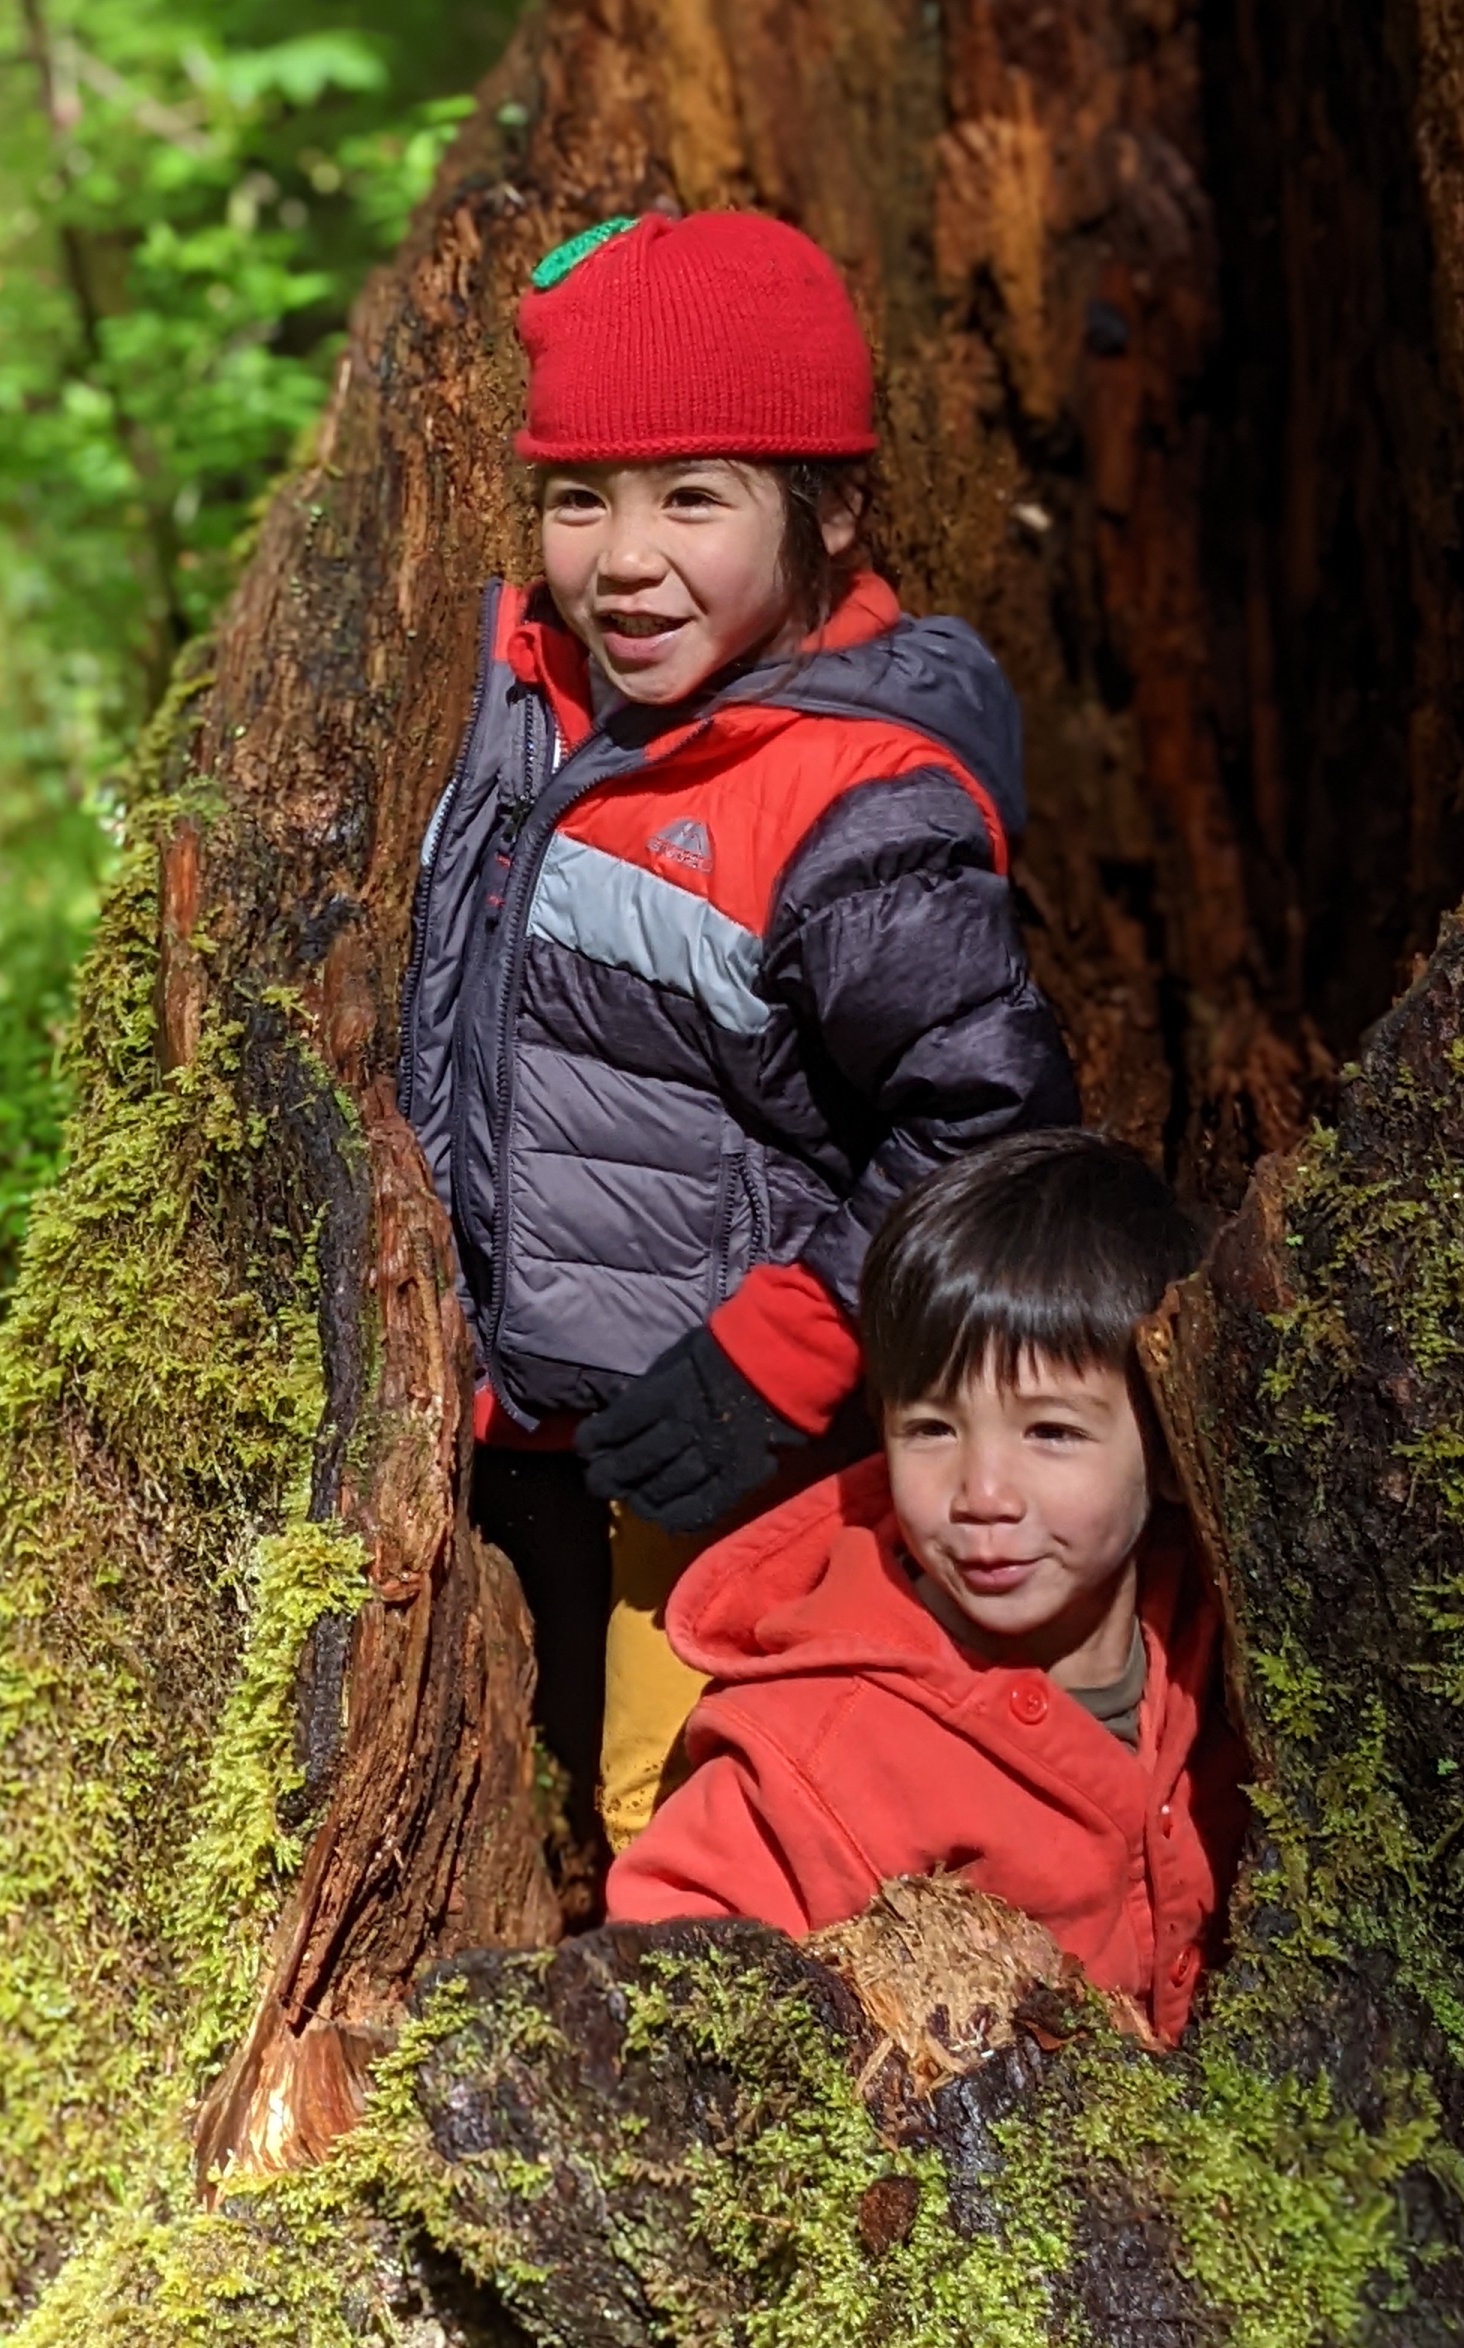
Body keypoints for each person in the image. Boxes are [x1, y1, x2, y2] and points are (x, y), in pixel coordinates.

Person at [398, 205, 1079, 1864]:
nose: (622, 557)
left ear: (829, 508)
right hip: (533, 1423)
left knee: (682, 1807)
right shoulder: (562, 701)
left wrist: (786, 1354)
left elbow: (990, 1129)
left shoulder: (850, 810)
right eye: (579, 501)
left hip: (733, 1439)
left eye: (690, 497)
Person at [603, 1131, 1245, 2048]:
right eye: (934, 1429)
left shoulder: (1231, 1660)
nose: (984, 1495)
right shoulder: (826, 1741)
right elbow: (664, 1973)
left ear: (1173, 1450)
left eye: (1052, 1433)